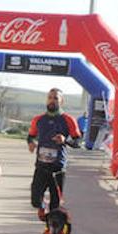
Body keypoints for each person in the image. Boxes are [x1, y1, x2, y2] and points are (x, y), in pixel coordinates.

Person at [26, 88, 81, 219]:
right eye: (50, 97)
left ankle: (51, 229)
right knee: (35, 199)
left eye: (55, 98)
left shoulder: (68, 120)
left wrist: (65, 140)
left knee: (55, 204)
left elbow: (77, 141)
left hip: (58, 167)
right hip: (41, 165)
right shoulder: (38, 119)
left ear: (61, 101)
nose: (52, 100)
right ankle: (41, 206)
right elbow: (30, 136)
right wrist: (31, 143)